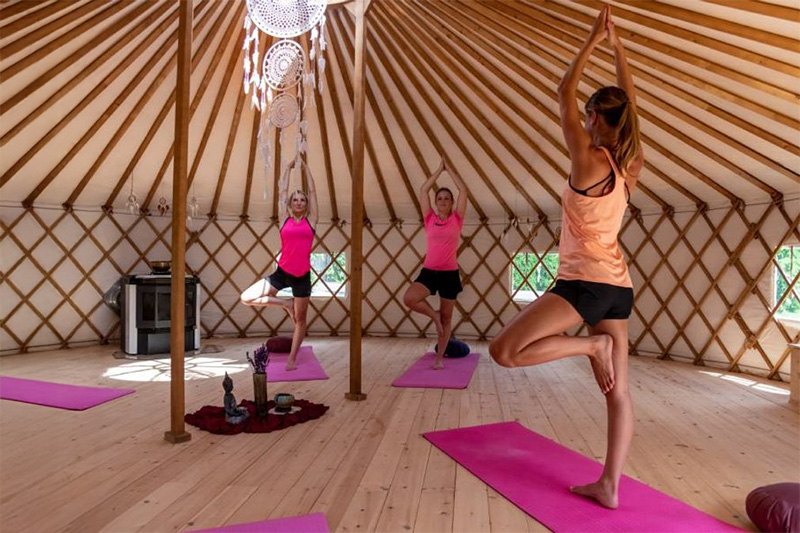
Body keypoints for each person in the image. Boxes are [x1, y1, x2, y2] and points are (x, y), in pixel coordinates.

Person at [488, 5, 644, 510]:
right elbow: (631, 109)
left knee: (504, 352)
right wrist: (620, 51)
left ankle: (587, 350)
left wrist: (593, 44)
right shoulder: (629, 166)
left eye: (588, 114)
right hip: (619, 287)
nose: (582, 119)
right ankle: (611, 485)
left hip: (584, 284)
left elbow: (563, 91)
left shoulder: (588, 156)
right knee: (618, 393)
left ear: (596, 117)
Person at [240, 157, 319, 371]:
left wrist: (305, 167)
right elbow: (281, 192)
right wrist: (286, 169)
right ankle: (285, 303)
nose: (299, 202)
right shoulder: (283, 218)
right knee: (246, 298)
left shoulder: (311, 221)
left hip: (302, 276)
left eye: (302, 200)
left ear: (306, 205)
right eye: (295, 200)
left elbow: (313, 192)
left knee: (300, 321)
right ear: (290, 205)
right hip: (281, 273)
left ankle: (292, 358)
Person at [403, 157, 468, 370]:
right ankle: (434, 316)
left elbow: (464, 191)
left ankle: (440, 358)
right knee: (410, 298)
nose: (442, 201)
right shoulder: (429, 218)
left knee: (448, 318)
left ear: (451, 203)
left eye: (447, 198)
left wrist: (451, 171)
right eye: (439, 197)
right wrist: (438, 171)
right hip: (429, 272)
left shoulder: (457, 219)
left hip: (449, 273)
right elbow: (423, 191)